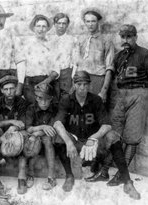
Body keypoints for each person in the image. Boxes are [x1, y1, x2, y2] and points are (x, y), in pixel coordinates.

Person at [85, 25, 148, 187]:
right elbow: (112, 73)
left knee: (131, 138)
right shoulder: (119, 56)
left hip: (140, 95)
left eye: (129, 37)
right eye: (122, 37)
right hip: (122, 96)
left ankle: (121, 175)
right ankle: (103, 172)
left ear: (135, 37)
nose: (125, 40)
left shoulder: (146, 55)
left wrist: (145, 100)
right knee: (112, 134)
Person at [53, 71, 141, 200]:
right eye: (79, 84)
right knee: (59, 137)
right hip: (76, 140)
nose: (82, 87)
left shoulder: (96, 100)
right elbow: (57, 123)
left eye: (85, 84)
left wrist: (93, 138)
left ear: (89, 85)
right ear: (74, 84)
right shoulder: (66, 100)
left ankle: (127, 182)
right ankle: (69, 176)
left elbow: (107, 125)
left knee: (112, 136)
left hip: (94, 144)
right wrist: (69, 142)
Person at [22, 83, 58, 192]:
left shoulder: (55, 108)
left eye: (47, 99)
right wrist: (42, 127)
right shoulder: (31, 108)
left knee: (47, 140)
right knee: (33, 141)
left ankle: (52, 178)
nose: (43, 102)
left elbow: (52, 128)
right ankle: (30, 174)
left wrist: (37, 132)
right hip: (35, 137)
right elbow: (28, 128)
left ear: (51, 99)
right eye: (40, 99)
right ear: (36, 98)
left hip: (49, 137)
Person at [16, 14, 59, 105]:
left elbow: (56, 69)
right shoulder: (26, 45)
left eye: (44, 26)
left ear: (47, 29)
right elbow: (21, 69)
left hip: (48, 82)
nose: (41, 29)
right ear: (34, 28)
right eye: (38, 26)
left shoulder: (52, 46)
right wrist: (20, 87)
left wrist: (46, 82)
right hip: (31, 84)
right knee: (33, 107)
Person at [77, 8, 115, 106]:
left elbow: (109, 68)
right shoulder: (81, 40)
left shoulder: (106, 41)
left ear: (98, 22)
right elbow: (77, 64)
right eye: (87, 21)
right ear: (84, 22)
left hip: (97, 80)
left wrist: (104, 91)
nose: (90, 24)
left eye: (93, 21)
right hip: (82, 81)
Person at [51, 13, 79, 98]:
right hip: (52, 74)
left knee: (66, 99)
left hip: (66, 74)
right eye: (59, 23)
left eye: (64, 23)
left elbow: (75, 61)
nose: (61, 26)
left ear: (67, 25)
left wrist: (72, 78)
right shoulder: (49, 40)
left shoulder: (73, 40)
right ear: (55, 24)